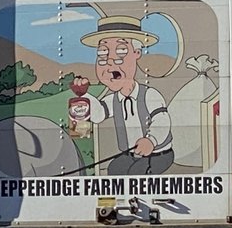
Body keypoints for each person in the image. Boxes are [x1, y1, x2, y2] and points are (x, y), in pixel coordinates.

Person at [71, 15, 174, 175]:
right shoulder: (113, 99)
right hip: (130, 155)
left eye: (120, 52)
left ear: (136, 53)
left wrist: (151, 141)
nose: (110, 61)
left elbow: (162, 121)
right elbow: (98, 115)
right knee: (114, 170)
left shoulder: (149, 95)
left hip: (158, 155)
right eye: (103, 54)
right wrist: (84, 95)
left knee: (136, 175)